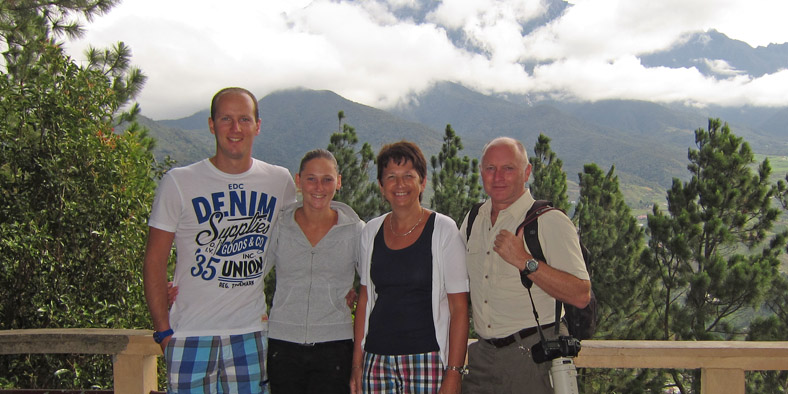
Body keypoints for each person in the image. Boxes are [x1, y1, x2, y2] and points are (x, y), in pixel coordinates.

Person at [143, 87, 296, 393]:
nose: (235, 128)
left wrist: (339, 287)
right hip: (189, 335)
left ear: (257, 125)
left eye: (244, 119)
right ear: (212, 125)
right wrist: (164, 332)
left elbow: (298, 248)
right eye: (226, 118)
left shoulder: (279, 182)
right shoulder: (179, 182)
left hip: (251, 334)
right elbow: (154, 261)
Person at [459, 137, 591, 394]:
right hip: (482, 356)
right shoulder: (475, 218)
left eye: (508, 168)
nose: (498, 177)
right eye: (490, 168)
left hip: (534, 355)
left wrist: (525, 261)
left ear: (526, 172)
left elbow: (581, 294)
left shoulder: (549, 221)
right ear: (481, 172)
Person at [350, 141, 469, 394]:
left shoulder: (444, 230)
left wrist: (454, 373)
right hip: (377, 360)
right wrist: (357, 365)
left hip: (428, 360)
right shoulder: (371, 231)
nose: (400, 184)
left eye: (408, 176)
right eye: (391, 177)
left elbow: (460, 308)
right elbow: (365, 299)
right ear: (381, 187)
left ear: (422, 182)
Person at [266, 149, 364, 394]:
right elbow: (252, 273)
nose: (319, 187)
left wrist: (361, 296)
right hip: (283, 343)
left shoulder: (356, 231)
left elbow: (376, 282)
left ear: (338, 181)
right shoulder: (278, 226)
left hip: (335, 345)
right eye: (311, 178)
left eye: (327, 179)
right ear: (298, 181)